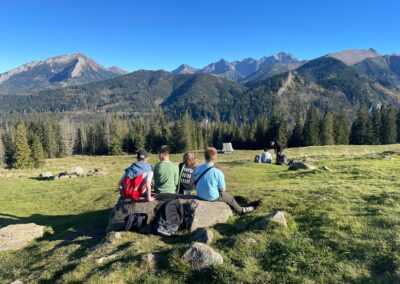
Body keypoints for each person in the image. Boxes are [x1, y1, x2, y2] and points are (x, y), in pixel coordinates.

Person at [194, 147, 254, 214]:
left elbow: (194, 181)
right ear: (215, 158)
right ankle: (242, 210)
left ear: (205, 157)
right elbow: (223, 190)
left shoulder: (198, 168)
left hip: (199, 194)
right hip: (211, 197)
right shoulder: (218, 172)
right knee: (231, 199)